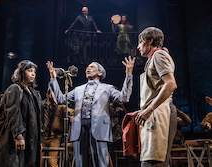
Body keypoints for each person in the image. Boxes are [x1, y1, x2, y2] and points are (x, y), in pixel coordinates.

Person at [46, 56, 135, 167]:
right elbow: (61, 99)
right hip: (79, 127)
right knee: (80, 162)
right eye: (87, 67)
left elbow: (124, 98)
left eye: (92, 67)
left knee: (100, 162)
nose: (88, 69)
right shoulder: (78, 89)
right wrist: (53, 79)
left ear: (100, 73)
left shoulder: (107, 88)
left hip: (99, 127)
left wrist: (128, 75)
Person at [133, 27, 178, 167]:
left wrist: (149, 109)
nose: (138, 46)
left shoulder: (158, 55)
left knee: (154, 161)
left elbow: (170, 84)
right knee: (151, 160)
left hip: (160, 112)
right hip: (154, 113)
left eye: (141, 42)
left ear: (150, 41)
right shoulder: (152, 59)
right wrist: (144, 110)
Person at [0, 60, 42, 167]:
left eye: (34, 71)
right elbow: (12, 114)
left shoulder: (33, 93)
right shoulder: (14, 89)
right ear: (22, 72)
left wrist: (38, 142)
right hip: (14, 138)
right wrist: (18, 136)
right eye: (29, 71)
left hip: (29, 140)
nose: (33, 74)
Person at [40, 90, 74, 167]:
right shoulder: (41, 105)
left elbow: (72, 112)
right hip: (42, 137)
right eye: (52, 94)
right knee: (39, 161)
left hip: (54, 137)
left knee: (52, 161)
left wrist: (73, 117)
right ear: (47, 95)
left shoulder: (60, 107)